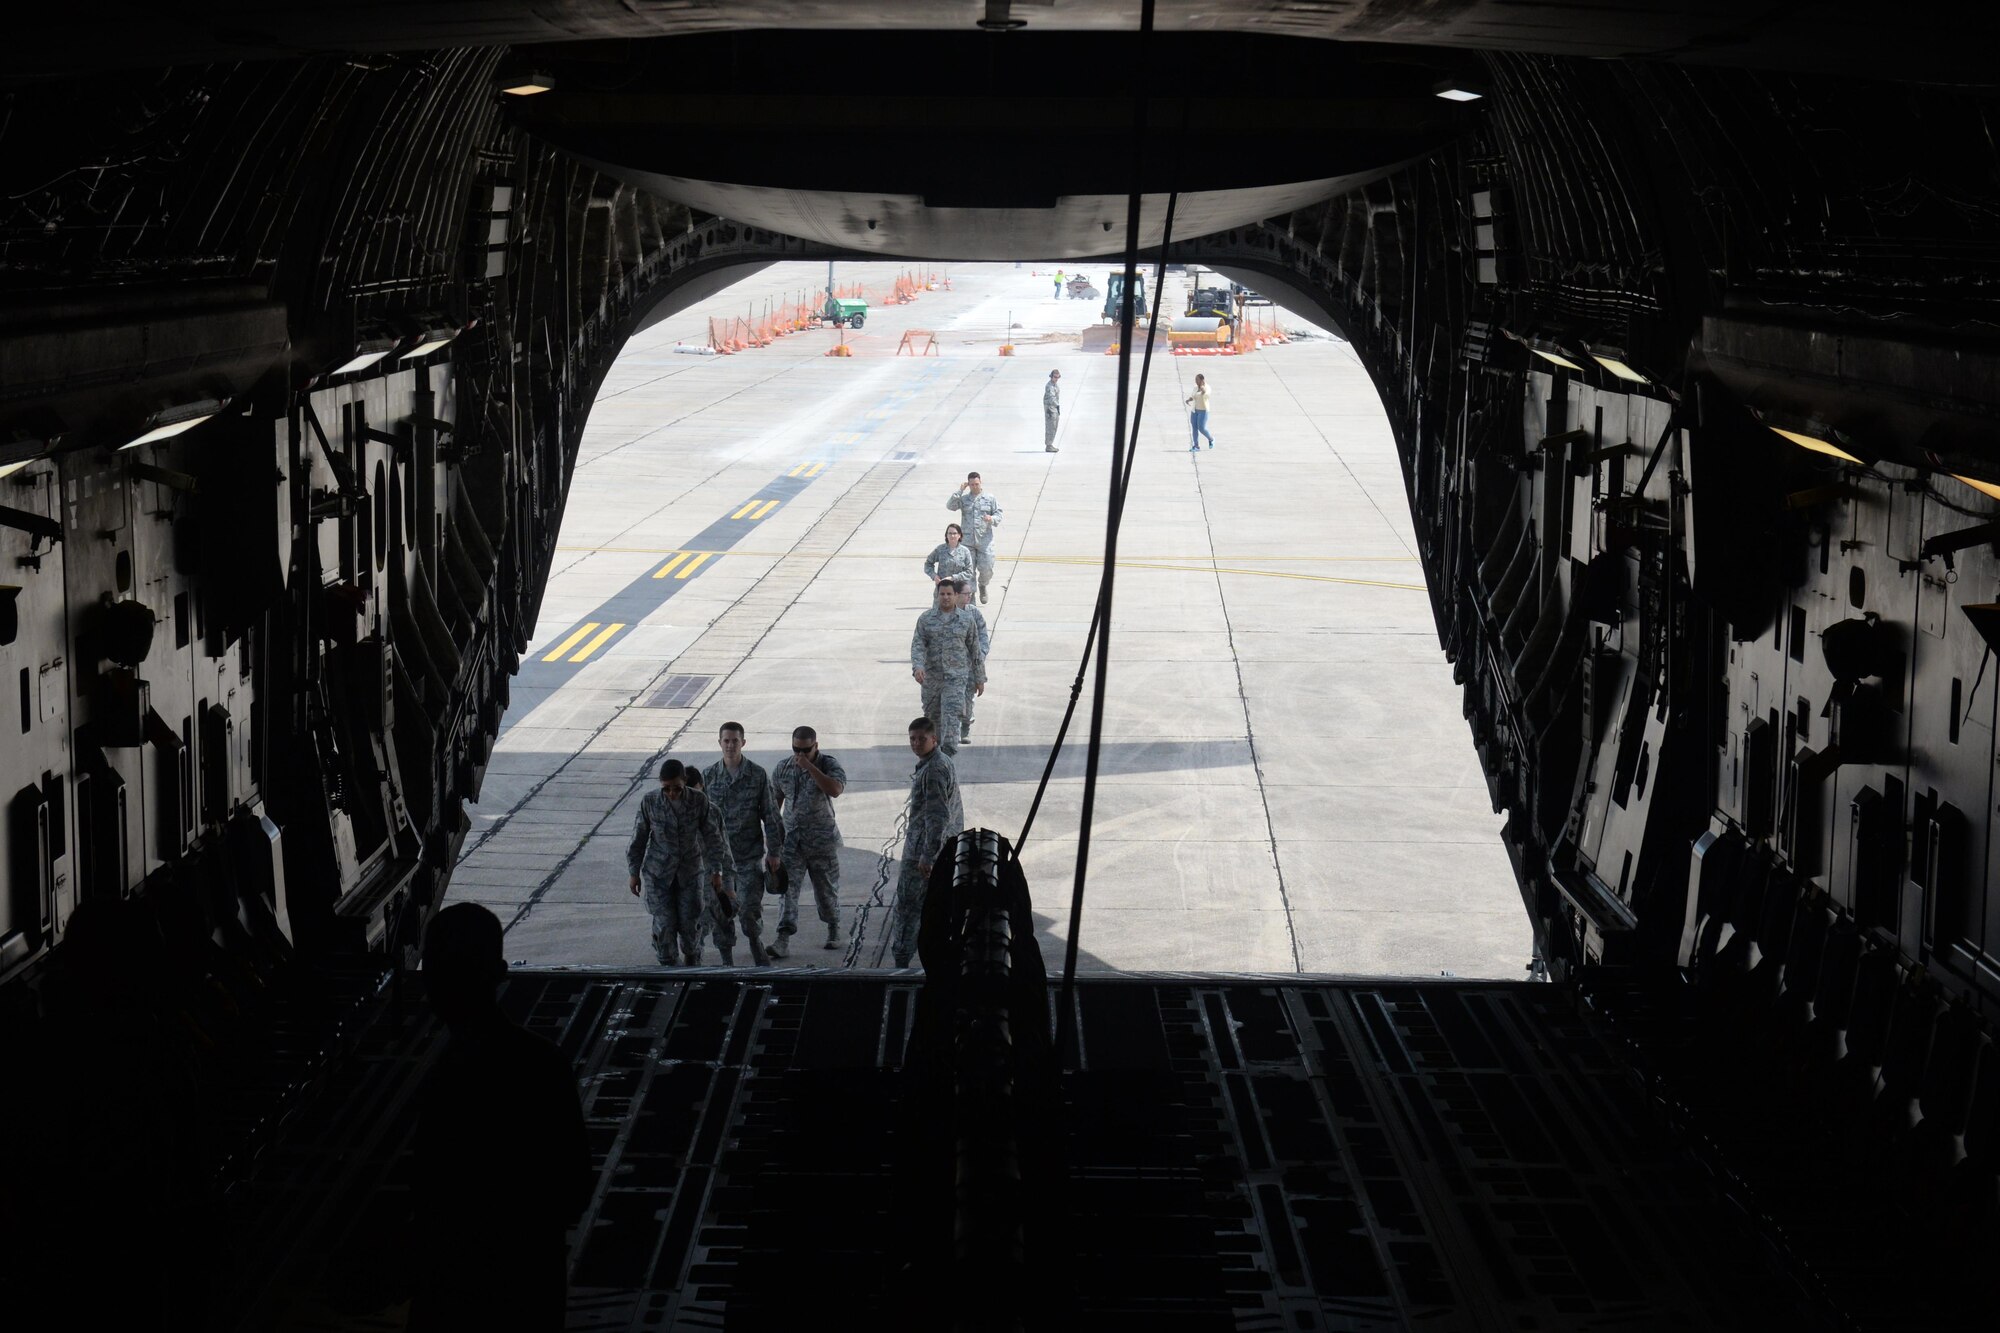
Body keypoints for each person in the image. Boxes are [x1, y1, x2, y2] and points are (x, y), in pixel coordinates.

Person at [411, 903, 592, 1332]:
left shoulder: (445, 1082)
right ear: (499, 973)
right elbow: (575, 1191)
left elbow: (433, 1209)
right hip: (530, 1293)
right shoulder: (545, 1065)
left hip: (457, 1301)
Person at [627, 759, 731, 966]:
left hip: (689, 873)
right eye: (666, 789)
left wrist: (717, 872)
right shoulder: (650, 802)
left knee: (690, 924)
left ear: (685, 781)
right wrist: (634, 872)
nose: (672, 793)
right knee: (664, 925)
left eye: (677, 788)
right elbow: (638, 838)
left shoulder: (698, 801)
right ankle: (667, 967)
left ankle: (692, 965)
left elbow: (713, 837)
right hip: (659, 873)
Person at [702, 722, 786, 964]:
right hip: (719, 861)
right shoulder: (709, 776)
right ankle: (726, 958)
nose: (730, 745)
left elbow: (770, 815)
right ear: (719, 743)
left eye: (735, 741)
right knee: (722, 911)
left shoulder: (757, 775)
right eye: (726, 741)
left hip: (748, 856)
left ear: (743, 743)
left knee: (750, 909)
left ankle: (754, 942)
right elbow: (703, 821)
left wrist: (774, 852)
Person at [890, 716, 964, 970]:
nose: (916, 743)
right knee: (936, 908)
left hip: (923, 853)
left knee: (908, 909)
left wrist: (927, 856)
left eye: (922, 739)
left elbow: (938, 815)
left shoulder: (933, 771)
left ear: (934, 739)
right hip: (942, 849)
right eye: (912, 739)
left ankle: (901, 963)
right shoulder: (940, 762)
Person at [771, 726, 848, 953]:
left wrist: (810, 767)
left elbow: (835, 789)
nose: (800, 754)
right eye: (796, 749)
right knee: (787, 892)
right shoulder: (783, 768)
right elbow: (774, 806)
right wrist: (773, 844)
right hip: (792, 842)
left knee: (825, 891)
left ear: (816, 746)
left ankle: (833, 927)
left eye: (806, 749)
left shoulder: (828, 764)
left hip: (821, 840)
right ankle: (782, 939)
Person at [911, 579, 985, 757]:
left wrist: (979, 678)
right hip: (932, 680)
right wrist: (918, 667)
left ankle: (948, 758)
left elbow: (975, 650)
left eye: (949, 594)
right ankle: (933, 758)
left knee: (951, 718)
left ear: (956, 596)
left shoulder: (966, 620)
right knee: (932, 720)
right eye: (942, 594)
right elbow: (918, 645)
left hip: (955, 680)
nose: (945, 597)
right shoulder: (926, 619)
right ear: (937, 596)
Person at [680, 765, 740, 964]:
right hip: (688, 883)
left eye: (695, 790)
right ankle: (694, 970)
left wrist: (729, 887)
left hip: (714, 880)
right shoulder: (671, 813)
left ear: (702, 786)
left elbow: (725, 851)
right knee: (694, 931)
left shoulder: (712, 812)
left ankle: (728, 966)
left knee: (724, 924)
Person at [946, 471, 1003, 604]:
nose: (974, 487)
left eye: (976, 484)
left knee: (987, 568)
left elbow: (999, 514)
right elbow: (950, 506)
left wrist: (992, 519)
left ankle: (983, 584)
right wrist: (959, 491)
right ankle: (971, 598)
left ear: (980, 482)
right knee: (968, 572)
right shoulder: (964, 499)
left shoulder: (989, 498)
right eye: (971, 485)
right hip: (967, 542)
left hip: (984, 541)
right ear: (968, 485)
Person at [955, 577, 989, 745]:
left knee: (967, 698)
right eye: (965, 594)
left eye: (970, 593)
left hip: (970, 665)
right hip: (951, 667)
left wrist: (980, 656)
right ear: (956, 595)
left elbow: (983, 637)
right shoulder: (943, 613)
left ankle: (965, 726)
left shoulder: (974, 613)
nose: (969, 596)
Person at [1186, 373, 1216, 451]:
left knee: (1201, 428)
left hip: (1203, 411)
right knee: (1194, 428)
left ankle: (1211, 439)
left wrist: (1203, 389)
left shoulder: (1207, 387)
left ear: (1202, 380)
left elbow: (1206, 395)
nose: (1196, 381)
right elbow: (1193, 396)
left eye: (1197, 380)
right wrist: (1189, 399)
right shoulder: (1195, 387)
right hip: (1194, 411)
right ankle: (1196, 446)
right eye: (1195, 379)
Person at [1043, 368, 1061, 453]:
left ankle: (1050, 444)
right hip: (1050, 408)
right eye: (1055, 377)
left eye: (1058, 377)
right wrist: (1056, 405)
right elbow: (1051, 398)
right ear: (1051, 377)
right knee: (1050, 426)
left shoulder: (1055, 385)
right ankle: (1048, 445)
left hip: (1054, 408)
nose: (1056, 379)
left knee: (1054, 426)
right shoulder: (1049, 386)